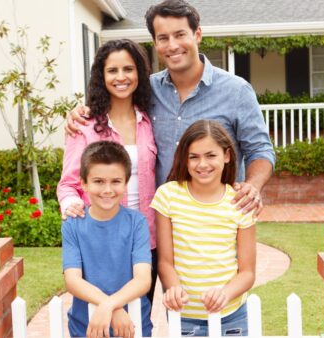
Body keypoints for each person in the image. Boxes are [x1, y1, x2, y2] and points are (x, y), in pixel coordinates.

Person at [66, 0, 275, 217]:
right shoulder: (147, 90)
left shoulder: (236, 90)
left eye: (180, 34)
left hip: (217, 220)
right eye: (163, 38)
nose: (172, 45)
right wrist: (81, 113)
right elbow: (113, 104)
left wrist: (253, 185)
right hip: (163, 221)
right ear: (155, 43)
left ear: (198, 34)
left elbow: (260, 149)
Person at [57, 39, 160, 302]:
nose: (121, 77)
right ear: (101, 77)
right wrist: (71, 205)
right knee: (102, 314)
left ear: (139, 72)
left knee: (139, 316)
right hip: (102, 239)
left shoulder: (151, 120)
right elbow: (68, 184)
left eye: (128, 69)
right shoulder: (85, 125)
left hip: (147, 237)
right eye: (112, 71)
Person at [151, 120, 256, 336]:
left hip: (231, 316)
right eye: (194, 157)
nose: (202, 164)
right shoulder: (168, 196)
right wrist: (173, 288)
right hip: (185, 317)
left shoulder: (240, 202)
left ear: (226, 155)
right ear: (185, 159)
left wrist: (225, 294)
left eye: (211, 155)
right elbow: (165, 262)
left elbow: (247, 272)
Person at [62, 141, 153, 338]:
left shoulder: (137, 222)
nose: (107, 189)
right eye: (99, 181)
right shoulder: (73, 225)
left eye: (116, 181)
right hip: (86, 326)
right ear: (84, 183)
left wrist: (109, 305)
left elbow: (143, 279)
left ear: (126, 183)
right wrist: (111, 307)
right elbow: (72, 280)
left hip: (133, 325)